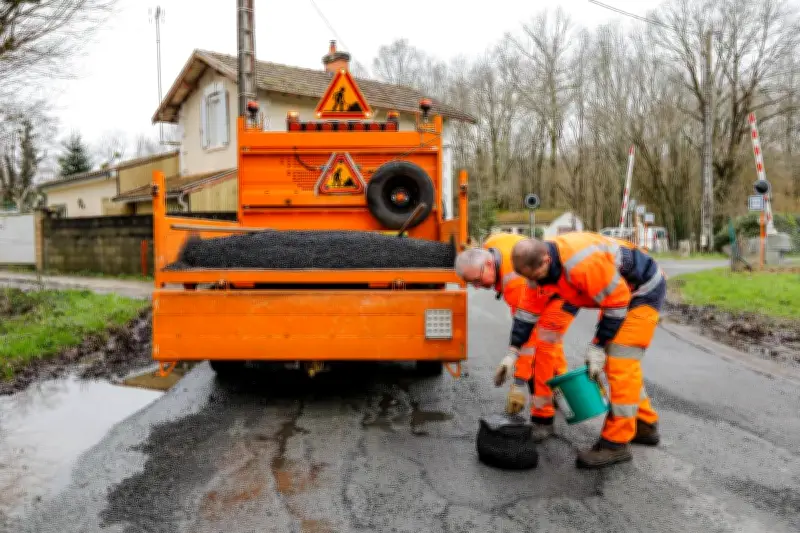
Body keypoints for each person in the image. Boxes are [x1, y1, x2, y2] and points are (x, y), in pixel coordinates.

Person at [509, 232, 663, 469]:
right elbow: (527, 314)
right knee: (619, 361)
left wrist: (598, 346)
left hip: (640, 292)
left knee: (621, 361)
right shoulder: (535, 273)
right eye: (531, 279)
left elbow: (617, 302)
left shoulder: (581, 263)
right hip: (616, 295)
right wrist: (513, 352)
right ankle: (644, 423)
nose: (536, 284)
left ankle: (616, 444)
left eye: (538, 276)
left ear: (546, 260)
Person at [454, 232, 578, 441]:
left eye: (477, 280)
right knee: (550, 349)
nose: (477, 287)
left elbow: (527, 340)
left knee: (543, 353)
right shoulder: (492, 245)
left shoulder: (516, 284)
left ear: (489, 264)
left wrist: (519, 383)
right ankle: (564, 392)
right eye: (470, 283)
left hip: (563, 294)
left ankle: (543, 418)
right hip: (550, 285)